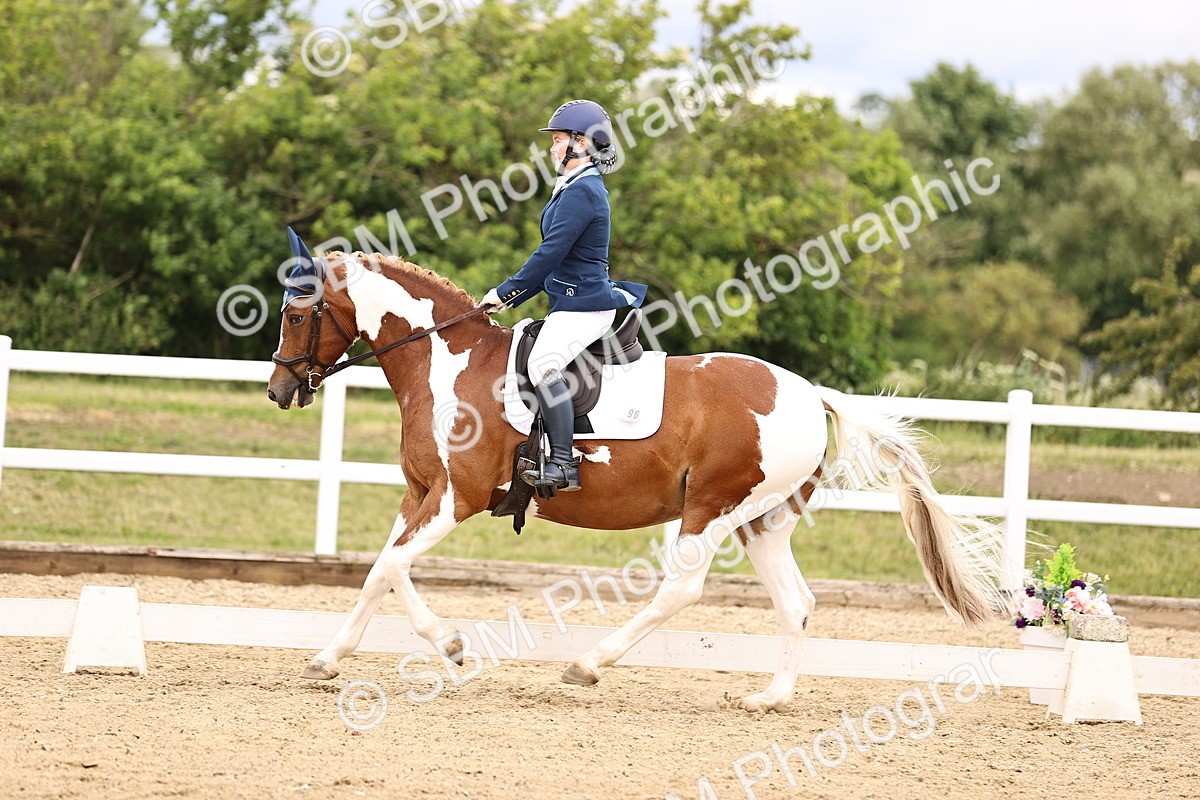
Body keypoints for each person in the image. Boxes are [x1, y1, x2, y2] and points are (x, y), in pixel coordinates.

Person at [480, 99, 647, 493]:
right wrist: (508, 299)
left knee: (541, 365)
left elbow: (550, 253)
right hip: (572, 300)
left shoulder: (583, 191)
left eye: (558, 141)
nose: (552, 149)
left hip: (586, 305)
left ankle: (562, 463)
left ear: (583, 144)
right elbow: (555, 261)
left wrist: (506, 291)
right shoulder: (571, 187)